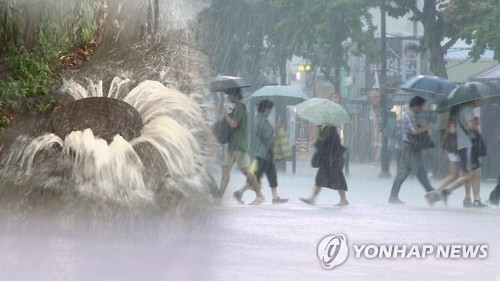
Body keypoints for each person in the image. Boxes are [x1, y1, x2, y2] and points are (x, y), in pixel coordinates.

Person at [233, 99, 288, 204]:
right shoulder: (260, 121)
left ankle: (275, 197)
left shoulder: (259, 119)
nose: (270, 112)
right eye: (269, 110)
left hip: (264, 153)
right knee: (257, 176)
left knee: (271, 174)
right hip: (263, 154)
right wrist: (276, 129)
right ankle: (247, 194)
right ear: (265, 110)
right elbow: (268, 137)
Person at [217, 87, 265, 205]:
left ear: (236, 95)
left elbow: (233, 124)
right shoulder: (236, 108)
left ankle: (259, 194)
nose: (229, 97)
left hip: (239, 145)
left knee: (246, 171)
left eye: (230, 95)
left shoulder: (240, 107)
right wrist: (225, 114)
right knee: (225, 168)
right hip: (232, 144)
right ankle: (219, 195)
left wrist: (225, 114)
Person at [388, 96, 436, 205]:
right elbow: (413, 131)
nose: (422, 109)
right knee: (420, 172)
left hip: (412, 147)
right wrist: (425, 128)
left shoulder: (415, 115)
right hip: (410, 147)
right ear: (416, 106)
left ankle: (393, 196)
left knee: (403, 173)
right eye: (421, 106)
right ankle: (432, 193)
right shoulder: (408, 115)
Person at [434, 111, 487, 207]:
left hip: (459, 148)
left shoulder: (458, 112)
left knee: (466, 174)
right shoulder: (465, 110)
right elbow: (456, 129)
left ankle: (470, 198)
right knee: (468, 174)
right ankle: (444, 192)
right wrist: (474, 124)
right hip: (462, 147)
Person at [300, 125, 349, 206]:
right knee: (320, 179)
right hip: (327, 161)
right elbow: (321, 145)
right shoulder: (325, 130)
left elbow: (330, 145)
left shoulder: (331, 130)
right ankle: (312, 198)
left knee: (338, 179)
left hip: (333, 161)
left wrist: (320, 137)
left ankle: (343, 199)